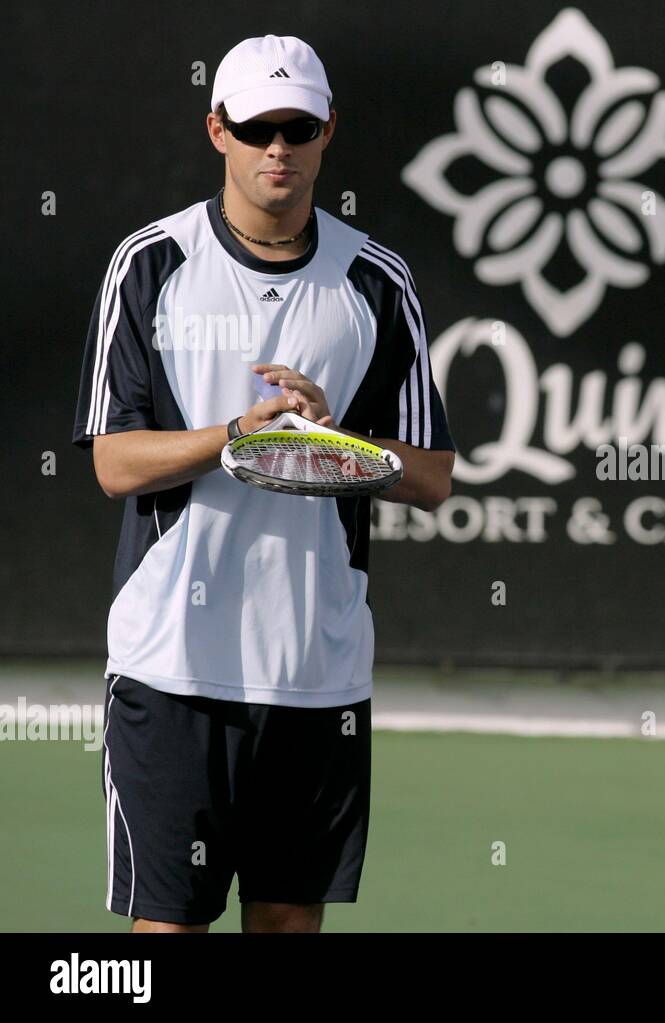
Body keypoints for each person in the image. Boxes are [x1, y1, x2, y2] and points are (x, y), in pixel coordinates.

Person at [71, 34, 455, 932]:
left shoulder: (377, 282)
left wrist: (332, 445)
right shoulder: (151, 265)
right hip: (171, 666)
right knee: (166, 931)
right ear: (219, 131)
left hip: (314, 676)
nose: (276, 147)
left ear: (328, 133)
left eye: (297, 126)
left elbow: (432, 477)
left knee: (286, 927)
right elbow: (112, 462)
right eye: (255, 127)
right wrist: (237, 436)